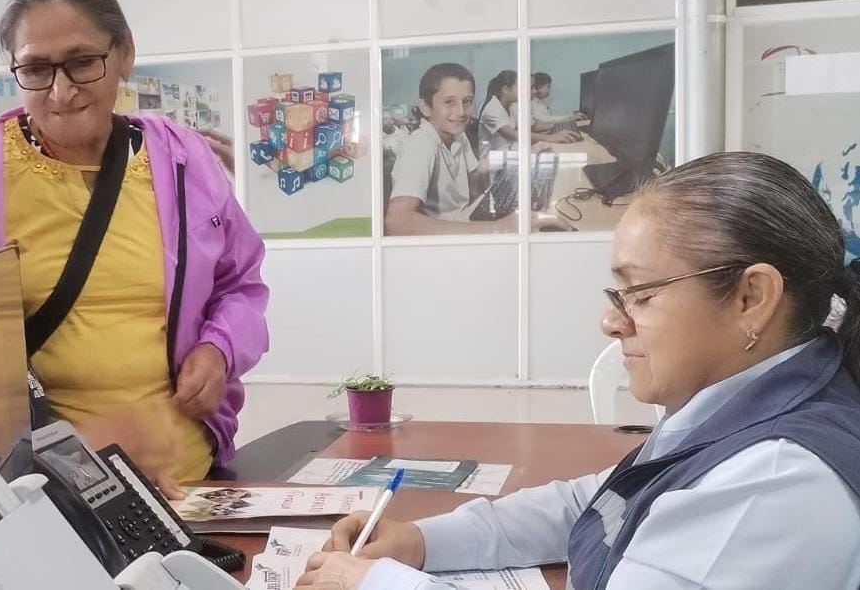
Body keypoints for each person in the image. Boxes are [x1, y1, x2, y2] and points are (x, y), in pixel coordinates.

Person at [298, 151, 860, 590]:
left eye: (640, 294)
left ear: (751, 297)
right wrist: (421, 542)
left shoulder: (773, 482)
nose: (611, 323)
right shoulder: (742, 403)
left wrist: (379, 583)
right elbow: (598, 502)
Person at [0, 0, 268, 492]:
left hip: (190, 479)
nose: (61, 91)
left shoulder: (184, 159)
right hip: (53, 487)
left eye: (83, 62)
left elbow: (241, 283)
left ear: (125, 53)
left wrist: (219, 349)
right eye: (36, 69)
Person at [385, 64, 566, 235]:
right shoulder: (420, 143)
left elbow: (475, 170)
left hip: (465, 218)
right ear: (425, 108)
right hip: (448, 236)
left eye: (467, 101)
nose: (461, 111)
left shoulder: (457, 135)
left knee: (539, 213)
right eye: (449, 102)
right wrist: (499, 227)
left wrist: (521, 157)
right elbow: (397, 221)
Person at [477, 70, 580, 156]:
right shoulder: (491, 108)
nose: (533, 91)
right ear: (506, 90)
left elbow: (532, 125)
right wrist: (551, 138)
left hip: (511, 155)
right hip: (495, 165)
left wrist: (555, 129)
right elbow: (513, 134)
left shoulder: (512, 105)